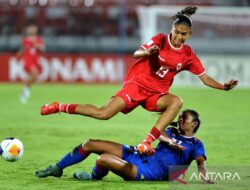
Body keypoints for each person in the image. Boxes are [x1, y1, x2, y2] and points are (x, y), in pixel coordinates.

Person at [40, 6, 238, 155]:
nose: (178, 37)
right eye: (176, 32)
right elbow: (137, 53)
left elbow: (204, 78)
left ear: (189, 35)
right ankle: (60, 106)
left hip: (156, 94)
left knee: (176, 101)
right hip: (137, 84)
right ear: (172, 29)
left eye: (183, 34)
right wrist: (147, 51)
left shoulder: (188, 55)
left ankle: (147, 142)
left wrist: (222, 86)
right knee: (104, 113)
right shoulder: (160, 39)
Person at [35, 109, 214, 183]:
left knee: (103, 159)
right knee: (90, 143)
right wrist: (170, 142)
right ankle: (57, 168)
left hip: (151, 172)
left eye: (185, 120)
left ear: (194, 124)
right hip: (140, 155)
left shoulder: (197, 144)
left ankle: (92, 177)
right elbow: (159, 133)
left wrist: (205, 179)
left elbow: (200, 163)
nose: (180, 120)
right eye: (181, 117)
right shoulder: (172, 131)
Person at [17, 24, 45, 103]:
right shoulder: (25, 40)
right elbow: (22, 49)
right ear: (28, 30)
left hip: (35, 61)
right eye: (30, 29)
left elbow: (42, 49)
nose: (32, 30)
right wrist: (19, 54)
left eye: (33, 29)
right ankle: (25, 91)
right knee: (34, 73)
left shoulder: (38, 39)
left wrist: (35, 44)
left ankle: (25, 92)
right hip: (28, 61)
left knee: (35, 78)